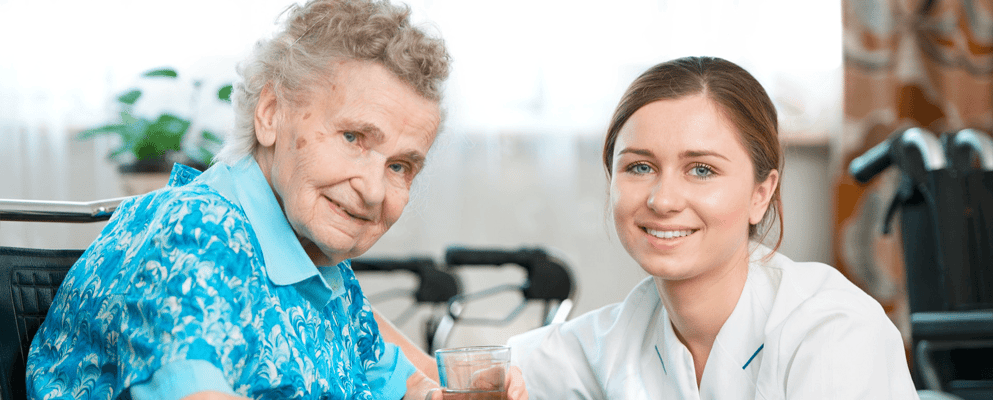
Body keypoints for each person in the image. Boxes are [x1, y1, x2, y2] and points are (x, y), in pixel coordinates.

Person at [26, 1, 526, 399]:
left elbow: (406, 384)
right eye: (353, 137)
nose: (374, 190)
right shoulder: (192, 230)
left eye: (400, 166)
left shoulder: (320, 272)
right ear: (270, 113)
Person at [506, 56, 920, 399]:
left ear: (761, 193)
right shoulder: (626, 332)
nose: (663, 200)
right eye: (639, 167)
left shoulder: (833, 332)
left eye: (701, 170)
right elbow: (478, 370)